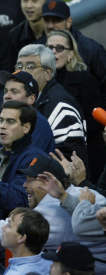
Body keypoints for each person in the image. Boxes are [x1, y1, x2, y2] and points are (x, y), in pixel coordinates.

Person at [0, 100, 47, 220]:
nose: (3, 126)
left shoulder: (33, 159)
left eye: (10, 122)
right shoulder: (0, 153)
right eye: (1, 120)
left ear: (26, 127)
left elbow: (20, 203)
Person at [16, 44, 88, 169]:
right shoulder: (31, 100)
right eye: (19, 66)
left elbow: (70, 160)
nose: (22, 71)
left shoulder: (61, 107)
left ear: (48, 73)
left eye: (30, 66)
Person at [46, 30, 105, 183]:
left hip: (86, 152)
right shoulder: (43, 81)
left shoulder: (85, 79)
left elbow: (94, 119)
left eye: (59, 48)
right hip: (55, 151)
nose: (53, 52)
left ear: (71, 54)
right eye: (49, 48)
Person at [40, 0, 106, 106]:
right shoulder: (37, 49)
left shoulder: (93, 50)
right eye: (46, 20)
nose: (50, 25)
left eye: (56, 20)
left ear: (69, 22)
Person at [0, 70, 56, 154]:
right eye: (5, 91)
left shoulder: (37, 124)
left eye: (14, 92)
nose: (7, 96)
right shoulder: (4, 117)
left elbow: (27, 157)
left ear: (31, 99)